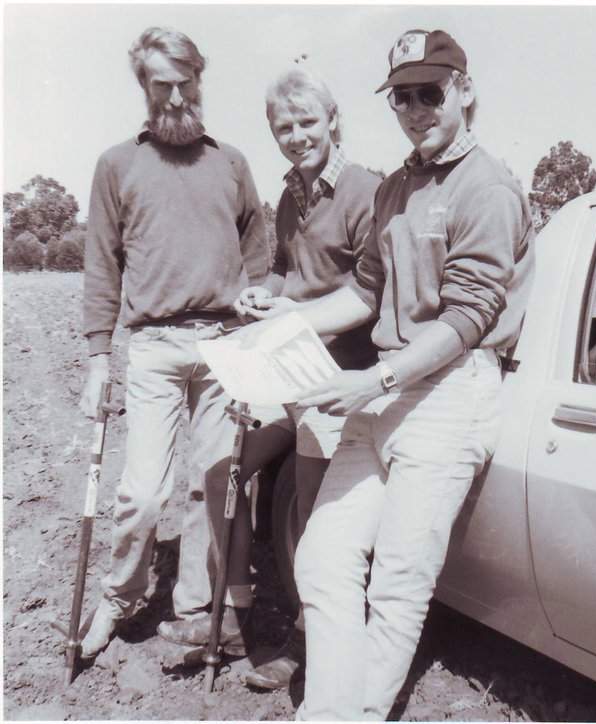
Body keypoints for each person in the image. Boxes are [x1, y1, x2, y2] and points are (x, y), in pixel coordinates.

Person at [239, 28, 535, 719]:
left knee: (396, 585)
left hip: (446, 392)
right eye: (401, 97)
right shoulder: (398, 186)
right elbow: (365, 292)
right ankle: (334, 708)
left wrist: (373, 381)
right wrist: (276, 327)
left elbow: (466, 321)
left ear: (464, 92)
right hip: (385, 392)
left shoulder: (486, 187)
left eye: (428, 93)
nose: (413, 110)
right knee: (319, 561)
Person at [156, 67, 381, 691]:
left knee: (311, 513)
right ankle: (233, 615)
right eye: (284, 127)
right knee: (219, 468)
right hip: (287, 367)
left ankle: (308, 639)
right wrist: (264, 295)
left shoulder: (367, 192)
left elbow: (370, 293)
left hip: (338, 379)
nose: (297, 136)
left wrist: (292, 313)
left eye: (308, 122)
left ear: (333, 119)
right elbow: (284, 270)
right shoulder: (288, 195)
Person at [78, 26, 270, 658]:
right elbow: (102, 266)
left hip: (223, 347)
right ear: (145, 88)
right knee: (143, 492)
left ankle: (195, 607)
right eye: (163, 84)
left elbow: (259, 257)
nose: (177, 95)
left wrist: (259, 313)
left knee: (213, 487)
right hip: (154, 350)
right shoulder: (117, 165)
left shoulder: (232, 162)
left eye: (187, 82)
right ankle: (117, 600)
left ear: (200, 79)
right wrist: (98, 358)